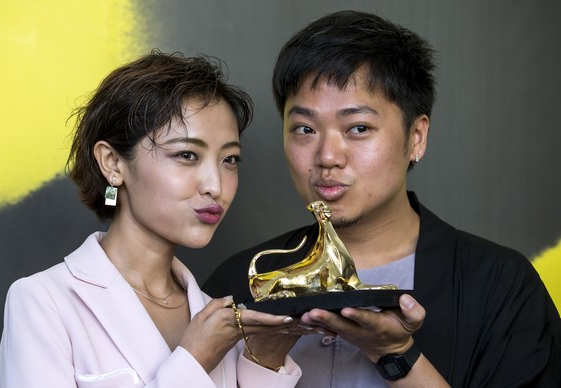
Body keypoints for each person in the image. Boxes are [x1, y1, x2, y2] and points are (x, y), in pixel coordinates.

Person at [203, 10, 561, 387]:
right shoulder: (241, 283)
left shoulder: (497, 285)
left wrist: (397, 353)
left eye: (358, 128)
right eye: (304, 129)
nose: (327, 156)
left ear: (416, 137)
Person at [0, 50, 305, 387]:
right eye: (186, 155)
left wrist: (264, 361)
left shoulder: (214, 313)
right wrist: (193, 362)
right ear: (113, 163)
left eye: (229, 160)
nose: (216, 186)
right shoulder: (44, 301)